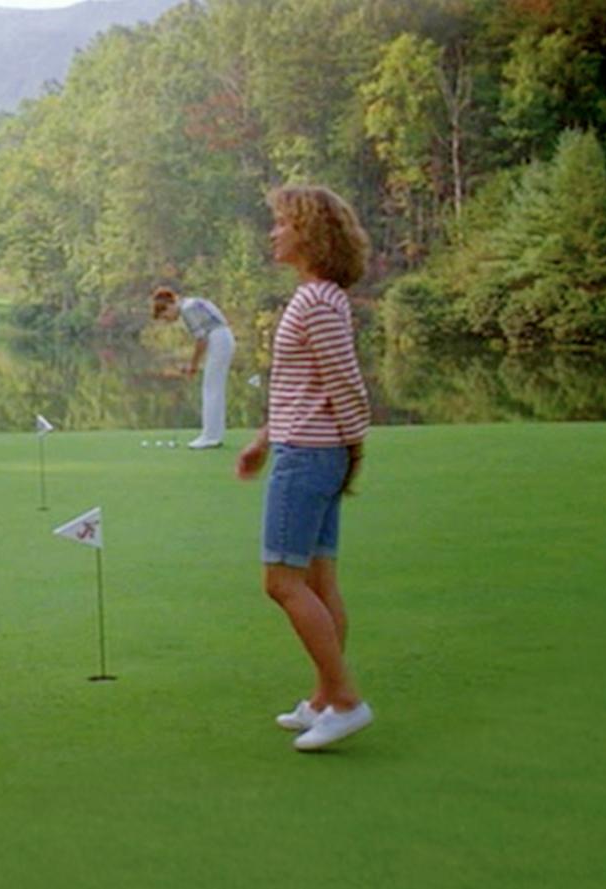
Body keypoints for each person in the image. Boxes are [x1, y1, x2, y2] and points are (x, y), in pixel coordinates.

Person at [235, 185, 373, 752]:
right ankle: (322, 699)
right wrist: (264, 440)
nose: (273, 233)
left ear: (309, 234)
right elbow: (307, 388)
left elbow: (345, 384)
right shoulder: (322, 298)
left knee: (281, 583)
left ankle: (345, 700)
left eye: (282, 224)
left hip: (310, 456)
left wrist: (352, 449)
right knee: (319, 581)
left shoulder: (315, 302)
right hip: (309, 449)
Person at [150, 286, 235, 448]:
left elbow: (201, 340)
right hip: (222, 338)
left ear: (170, 305)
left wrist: (193, 365)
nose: (167, 319)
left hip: (219, 339)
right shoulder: (192, 302)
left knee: (211, 389)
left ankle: (210, 437)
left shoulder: (188, 309)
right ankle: (214, 434)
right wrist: (194, 365)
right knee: (214, 389)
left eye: (165, 315)